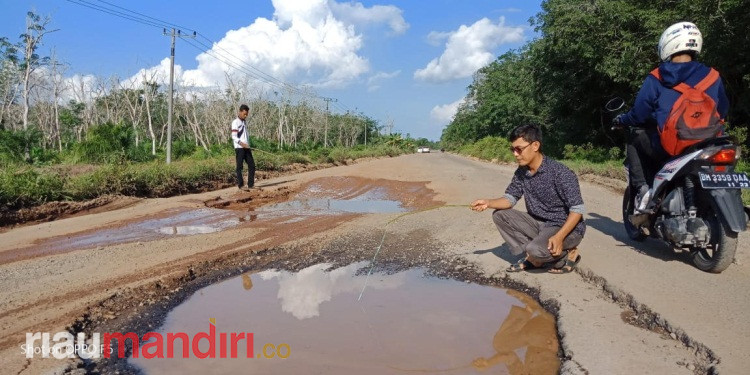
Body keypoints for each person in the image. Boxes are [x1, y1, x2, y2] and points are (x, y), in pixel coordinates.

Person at [614, 21, 729, 211]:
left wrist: (622, 120)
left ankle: (643, 191)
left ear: (668, 45)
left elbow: (639, 114)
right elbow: (723, 110)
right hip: (710, 144)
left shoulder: (657, 77)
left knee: (634, 138)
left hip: (673, 145)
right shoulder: (713, 76)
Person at [471, 124, 585, 273]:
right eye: (513, 149)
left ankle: (566, 254)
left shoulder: (560, 172)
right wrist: (488, 203)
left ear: (535, 145)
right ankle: (537, 255)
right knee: (500, 215)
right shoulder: (522, 172)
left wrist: (559, 237)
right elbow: (510, 199)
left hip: (565, 228)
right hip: (538, 223)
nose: (515, 154)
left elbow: (577, 210)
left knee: (536, 250)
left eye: (519, 149)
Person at [231, 104, 256, 191]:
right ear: (240, 112)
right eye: (244, 114)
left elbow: (245, 136)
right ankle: (241, 185)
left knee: (252, 165)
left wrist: (248, 145)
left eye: (247, 114)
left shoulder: (244, 122)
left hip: (246, 147)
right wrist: (242, 144)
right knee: (239, 167)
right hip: (239, 148)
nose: (245, 116)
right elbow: (234, 136)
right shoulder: (235, 122)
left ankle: (250, 185)